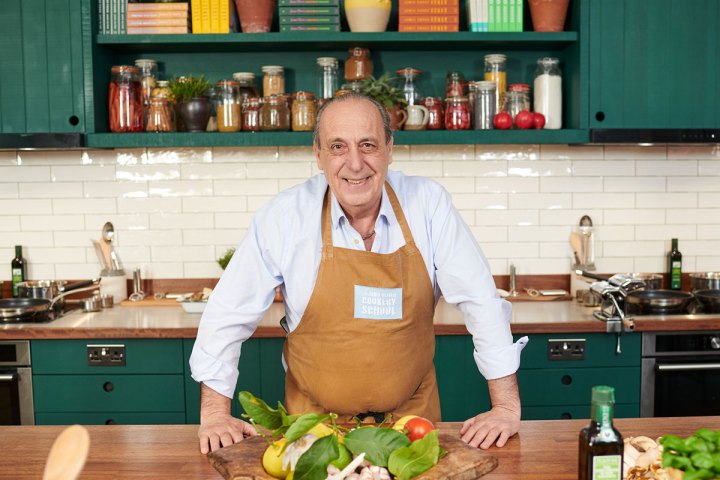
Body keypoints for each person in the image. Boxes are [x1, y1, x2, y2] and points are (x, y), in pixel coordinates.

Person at [189, 93, 528, 454]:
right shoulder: (286, 215)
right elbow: (227, 314)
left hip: (412, 426)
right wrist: (214, 414)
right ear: (318, 155)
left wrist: (505, 407)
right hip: (314, 431)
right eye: (338, 146)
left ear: (389, 149)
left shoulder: (428, 204)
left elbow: (481, 302)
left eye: (368, 145)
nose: (355, 163)